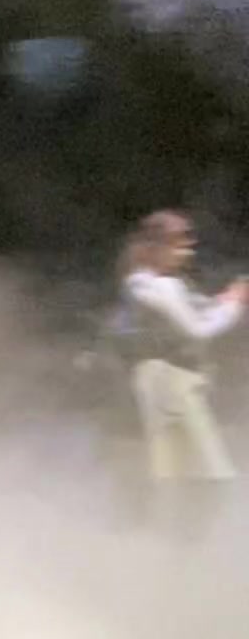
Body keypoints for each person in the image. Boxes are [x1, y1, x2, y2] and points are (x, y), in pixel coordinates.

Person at [108, 210, 248, 540]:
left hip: (166, 386)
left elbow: (196, 308)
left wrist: (224, 301)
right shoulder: (154, 285)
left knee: (180, 478)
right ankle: (181, 542)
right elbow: (197, 329)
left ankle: (171, 542)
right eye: (180, 245)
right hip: (170, 386)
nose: (187, 253)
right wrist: (235, 305)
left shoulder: (154, 284)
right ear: (157, 247)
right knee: (211, 477)